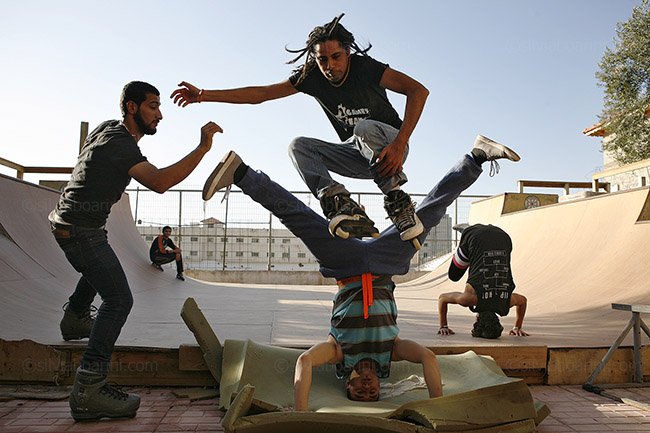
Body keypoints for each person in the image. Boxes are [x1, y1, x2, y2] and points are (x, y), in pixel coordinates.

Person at [201, 134, 520, 410]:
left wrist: (299, 410)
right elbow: (428, 359)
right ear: (381, 386)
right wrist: (438, 406)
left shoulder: (337, 352)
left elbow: (304, 362)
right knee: (431, 210)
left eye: (359, 392)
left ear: (347, 385)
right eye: (373, 392)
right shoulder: (391, 353)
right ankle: (477, 156)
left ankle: (241, 173)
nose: (368, 386)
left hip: (345, 263)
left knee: (299, 217)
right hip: (386, 263)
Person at [171, 14, 431, 244]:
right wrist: (203, 95)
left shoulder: (366, 68)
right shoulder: (311, 77)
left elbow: (418, 90)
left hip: (391, 146)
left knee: (363, 128)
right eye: (322, 60)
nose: (329, 67)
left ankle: (399, 203)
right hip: (358, 155)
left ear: (348, 52)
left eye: (336, 57)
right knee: (299, 146)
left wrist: (400, 143)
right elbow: (261, 93)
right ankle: (340, 203)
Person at [49, 81, 221, 421]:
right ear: (132, 107)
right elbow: (159, 182)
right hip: (80, 231)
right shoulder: (121, 143)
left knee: (104, 268)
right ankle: (89, 388)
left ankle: (75, 317)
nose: (159, 115)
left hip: (72, 222)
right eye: (153, 107)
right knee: (119, 299)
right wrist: (202, 148)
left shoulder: (106, 131)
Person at [437, 224, 529, 339]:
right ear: (476, 319)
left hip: (503, 238)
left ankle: (475, 238)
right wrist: (443, 326)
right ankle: (466, 230)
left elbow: (523, 301)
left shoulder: (506, 302)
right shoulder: (469, 299)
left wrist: (517, 327)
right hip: (474, 237)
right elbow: (442, 298)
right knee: (454, 275)